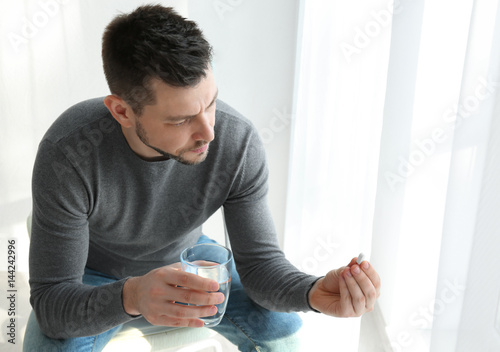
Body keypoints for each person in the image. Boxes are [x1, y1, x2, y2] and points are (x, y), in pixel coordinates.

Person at [23, 4, 381, 352]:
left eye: (210, 104)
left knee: (282, 330)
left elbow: (260, 267)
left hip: (187, 259)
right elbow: (53, 305)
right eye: (181, 120)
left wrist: (313, 292)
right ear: (122, 111)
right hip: (92, 274)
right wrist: (131, 295)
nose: (209, 132)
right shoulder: (69, 153)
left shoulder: (237, 141)